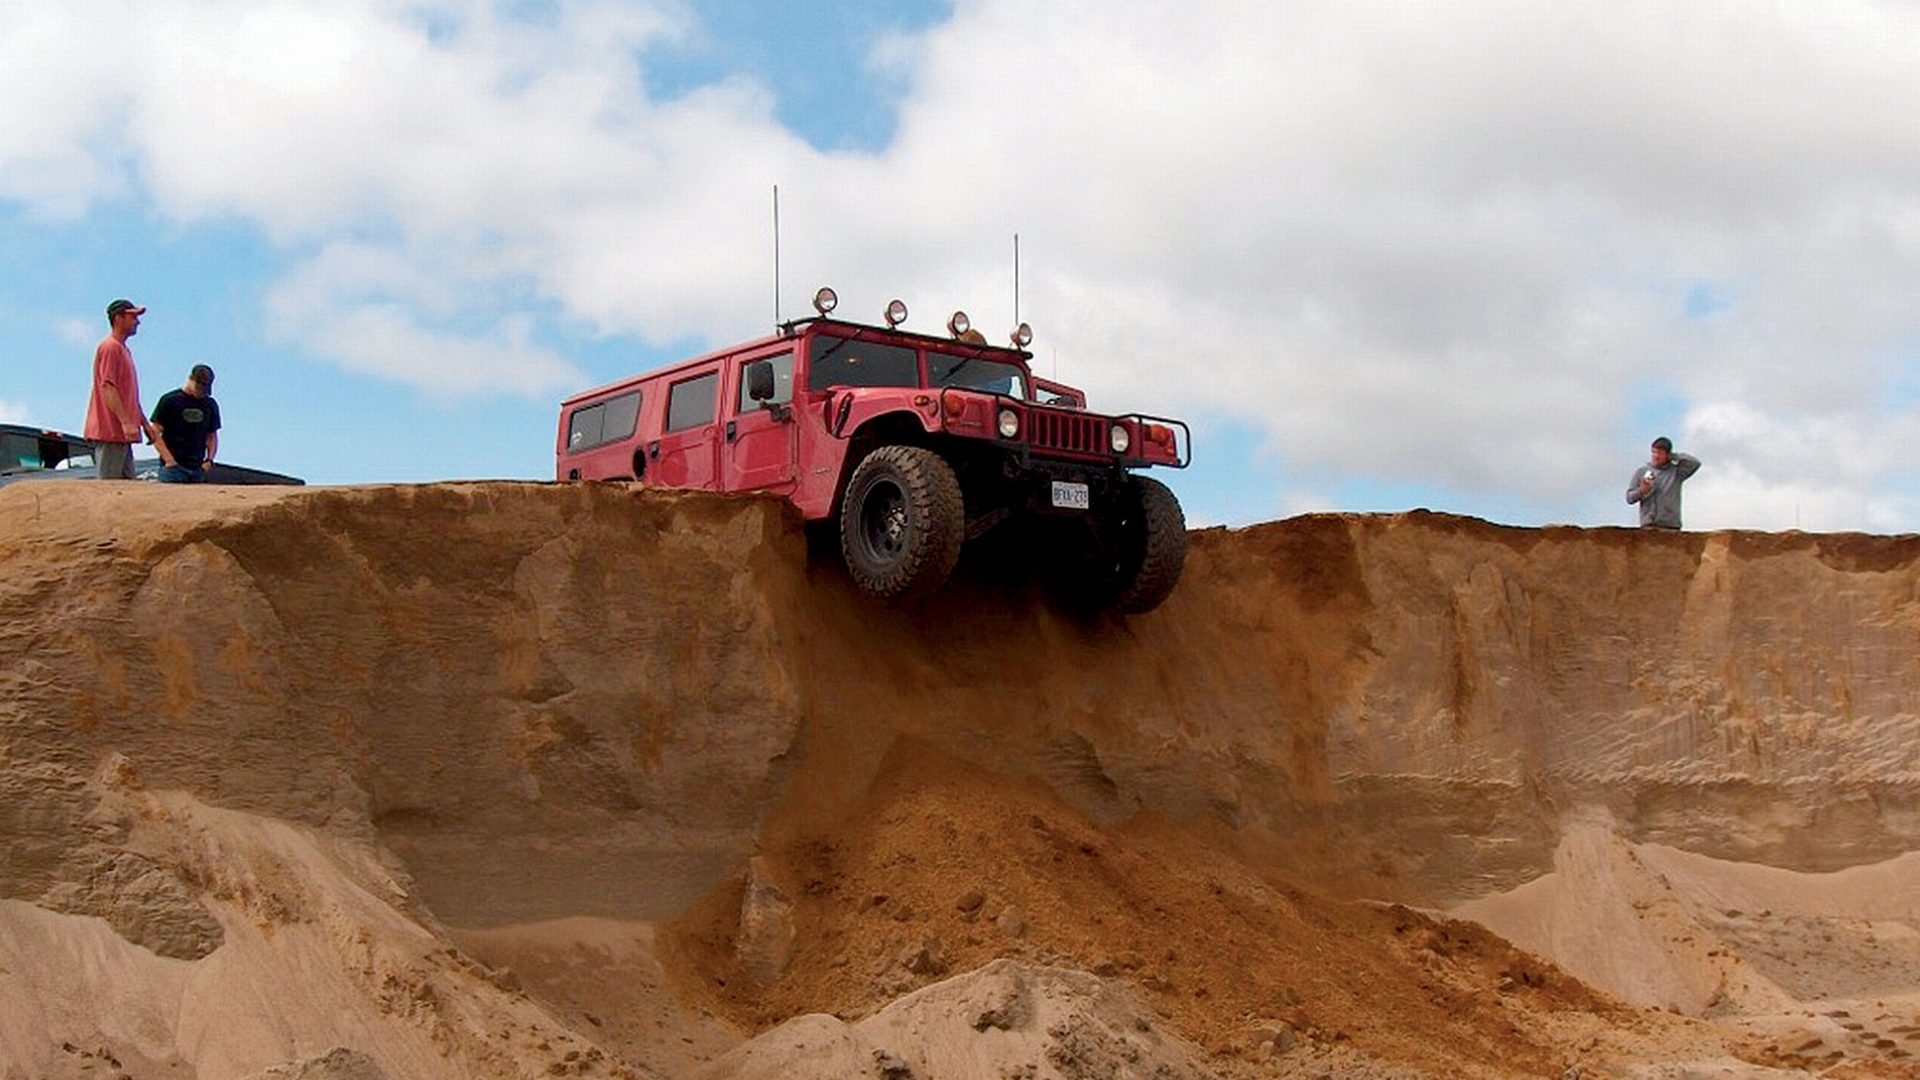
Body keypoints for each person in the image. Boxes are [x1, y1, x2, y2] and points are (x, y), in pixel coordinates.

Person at [84, 299, 157, 479]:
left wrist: (144, 424)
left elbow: (129, 397)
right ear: (118, 318)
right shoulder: (110, 347)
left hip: (122, 435)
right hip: (111, 432)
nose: (137, 322)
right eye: (132, 317)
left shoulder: (123, 350)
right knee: (109, 488)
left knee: (126, 488)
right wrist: (125, 422)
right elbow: (108, 387)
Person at [150, 364, 221, 483]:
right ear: (191, 380)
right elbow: (154, 432)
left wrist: (210, 459)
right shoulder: (169, 400)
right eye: (199, 388)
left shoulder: (209, 404)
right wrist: (169, 460)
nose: (201, 393)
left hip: (198, 468)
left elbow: (212, 435)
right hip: (172, 469)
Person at [1625, 436, 1701, 529]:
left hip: (1671, 527)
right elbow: (1629, 498)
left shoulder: (1676, 472)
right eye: (1654, 452)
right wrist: (1642, 491)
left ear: (1667, 455)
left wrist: (1674, 456)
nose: (1656, 456)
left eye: (1660, 453)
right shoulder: (1641, 472)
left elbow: (1695, 463)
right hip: (1648, 526)